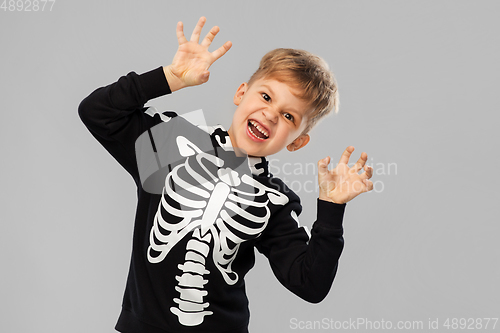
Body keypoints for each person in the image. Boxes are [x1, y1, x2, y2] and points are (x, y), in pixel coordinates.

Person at [79, 16, 373, 333]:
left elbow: (309, 285)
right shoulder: (171, 143)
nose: (270, 115)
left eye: (288, 116)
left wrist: (331, 208)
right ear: (241, 93)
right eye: (266, 96)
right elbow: (97, 112)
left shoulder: (273, 199)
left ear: (298, 142)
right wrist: (170, 78)